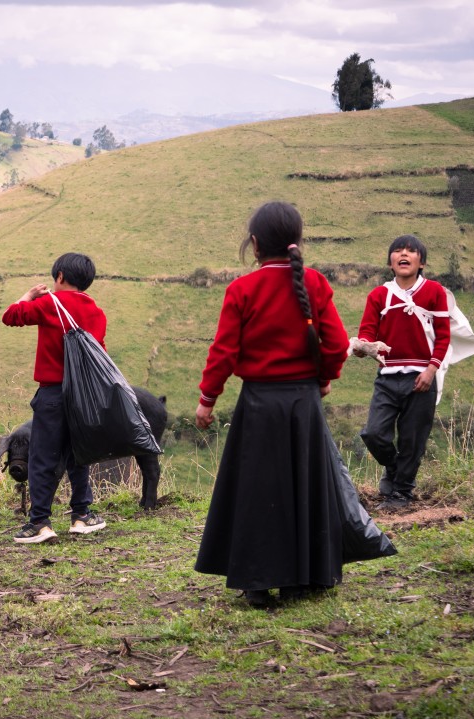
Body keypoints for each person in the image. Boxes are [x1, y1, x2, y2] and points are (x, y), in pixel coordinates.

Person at [194, 202, 351, 607]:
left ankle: (258, 583)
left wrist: (207, 400)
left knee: (258, 490)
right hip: (304, 402)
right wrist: (323, 379)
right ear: (297, 241)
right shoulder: (315, 283)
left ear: (255, 244)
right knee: (305, 485)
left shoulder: (242, 289)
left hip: (259, 404)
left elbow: (224, 352)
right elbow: (336, 344)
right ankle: (305, 579)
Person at [2, 252, 108, 544]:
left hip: (52, 394)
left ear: (59, 276)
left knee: (42, 457)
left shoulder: (50, 304)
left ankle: (40, 522)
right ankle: (82, 515)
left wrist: (29, 295)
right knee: (79, 454)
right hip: (83, 396)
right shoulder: (97, 312)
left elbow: (10, 316)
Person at [354, 234, 450, 510]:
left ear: (422, 262)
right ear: (390, 262)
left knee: (412, 439)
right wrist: (363, 347)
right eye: (397, 251)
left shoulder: (434, 292)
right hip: (387, 378)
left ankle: (401, 495)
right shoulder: (378, 295)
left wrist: (431, 370)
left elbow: (443, 336)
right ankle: (395, 468)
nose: (403, 254)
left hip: (421, 378)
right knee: (373, 433)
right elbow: (367, 332)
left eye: (410, 251)